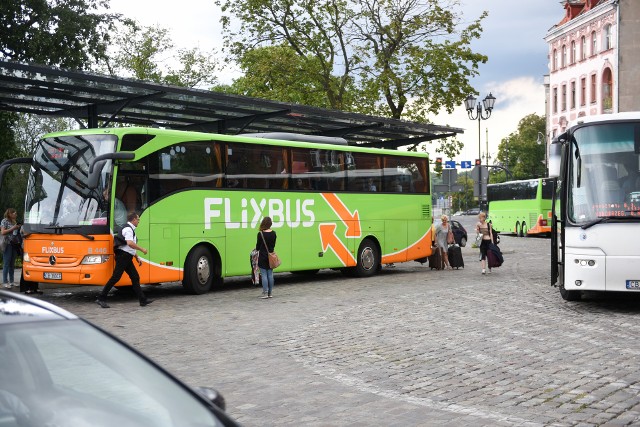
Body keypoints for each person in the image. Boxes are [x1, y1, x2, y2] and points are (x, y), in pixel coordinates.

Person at [96, 212, 152, 308]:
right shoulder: (128, 229)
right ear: (134, 219)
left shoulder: (129, 229)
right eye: (138, 219)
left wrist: (136, 257)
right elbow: (129, 243)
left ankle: (142, 300)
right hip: (123, 257)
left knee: (135, 277)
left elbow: (128, 247)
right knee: (116, 277)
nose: (138, 221)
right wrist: (142, 249)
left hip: (126, 256)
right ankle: (101, 298)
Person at [255, 216, 277, 299]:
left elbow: (258, 247)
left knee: (264, 275)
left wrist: (256, 249)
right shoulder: (274, 233)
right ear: (270, 224)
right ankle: (270, 293)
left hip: (263, 256)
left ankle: (265, 293)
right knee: (270, 275)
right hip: (271, 256)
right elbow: (273, 245)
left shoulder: (260, 234)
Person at [1, 208, 21, 288]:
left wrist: (18, 227)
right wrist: (13, 228)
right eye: (14, 213)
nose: (16, 215)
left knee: (12, 263)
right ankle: (5, 282)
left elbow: (15, 233)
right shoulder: (4, 221)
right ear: (10, 214)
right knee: (6, 263)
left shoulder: (14, 222)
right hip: (7, 243)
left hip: (14, 243)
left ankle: (12, 281)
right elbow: (3, 232)